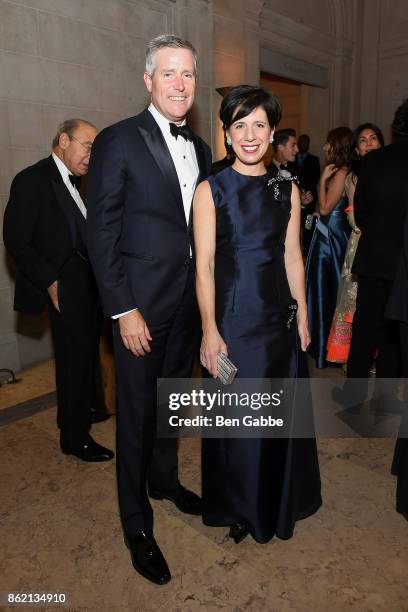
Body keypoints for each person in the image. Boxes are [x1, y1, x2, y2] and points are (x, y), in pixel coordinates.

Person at [87, 35, 212, 585]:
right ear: (148, 81)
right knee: (135, 418)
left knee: (174, 404)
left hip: (187, 305)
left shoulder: (203, 149)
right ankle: (136, 525)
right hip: (139, 308)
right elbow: (101, 231)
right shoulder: (118, 139)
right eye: (169, 73)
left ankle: (164, 481)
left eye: (188, 73)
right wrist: (122, 310)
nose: (180, 83)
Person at [194, 85, 321, 545]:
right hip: (232, 321)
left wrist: (303, 313)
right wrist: (209, 331)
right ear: (227, 133)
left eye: (259, 125)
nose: (250, 135)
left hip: (277, 321)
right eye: (240, 126)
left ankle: (276, 500)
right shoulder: (211, 190)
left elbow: (292, 256)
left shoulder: (284, 188)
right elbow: (204, 267)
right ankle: (240, 508)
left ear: (271, 133)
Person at [3, 119, 113, 463]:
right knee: (72, 362)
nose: (92, 156)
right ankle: (74, 436)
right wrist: (50, 282)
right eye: (88, 146)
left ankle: (89, 408)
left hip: (87, 286)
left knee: (86, 356)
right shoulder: (32, 179)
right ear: (63, 140)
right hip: (64, 286)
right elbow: (17, 241)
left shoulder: (77, 184)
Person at [337, 100, 408, 407]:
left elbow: (360, 214)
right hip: (403, 264)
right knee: (393, 333)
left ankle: (353, 395)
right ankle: (386, 398)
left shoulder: (374, 161)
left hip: (373, 257)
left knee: (366, 326)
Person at [327, 123, 384, 365]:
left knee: (380, 312)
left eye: (373, 138)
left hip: (385, 254)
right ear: (357, 149)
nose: (369, 143)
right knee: (356, 312)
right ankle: (356, 362)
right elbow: (324, 208)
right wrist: (322, 180)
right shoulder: (350, 178)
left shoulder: (391, 175)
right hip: (357, 253)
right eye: (363, 140)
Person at [306, 127, 352, 368]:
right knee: (319, 288)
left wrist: (321, 180)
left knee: (326, 289)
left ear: (338, 145)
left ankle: (326, 347)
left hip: (330, 240)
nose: (324, 147)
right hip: (325, 236)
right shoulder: (340, 171)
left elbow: (325, 208)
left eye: (328, 143)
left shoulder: (342, 172)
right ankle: (318, 342)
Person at [296, 134, 321, 256]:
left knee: (308, 224)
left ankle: (307, 249)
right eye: (301, 142)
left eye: (305, 143)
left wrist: (306, 192)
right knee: (297, 224)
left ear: (308, 144)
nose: (303, 145)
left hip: (310, 200)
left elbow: (315, 178)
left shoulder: (314, 159)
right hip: (297, 197)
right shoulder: (293, 158)